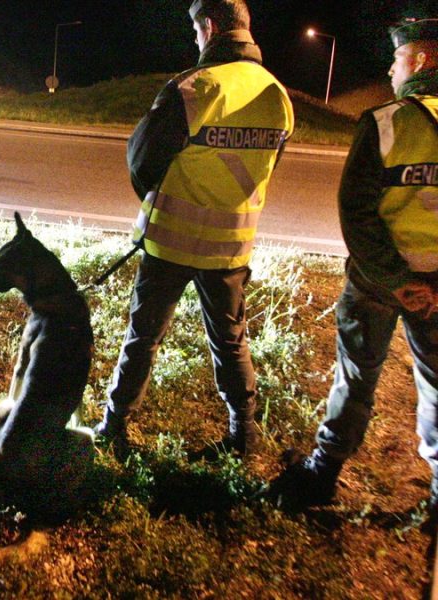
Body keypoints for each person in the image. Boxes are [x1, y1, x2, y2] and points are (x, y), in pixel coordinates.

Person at [93, 0, 294, 457]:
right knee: (231, 340)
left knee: (143, 337)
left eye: (196, 32)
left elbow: (141, 159)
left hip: (172, 243)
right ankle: (243, 435)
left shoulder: (195, 87)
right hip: (231, 248)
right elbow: (268, 166)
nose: (196, 40)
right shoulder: (278, 95)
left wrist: (161, 198)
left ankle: (114, 425)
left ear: (209, 27)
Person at [274, 18, 438, 508]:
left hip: (377, 283)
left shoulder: (386, 123)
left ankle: (323, 474)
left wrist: (395, 278)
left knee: (356, 377)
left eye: (398, 59)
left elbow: (357, 211)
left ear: (421, 61)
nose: (391, 70)